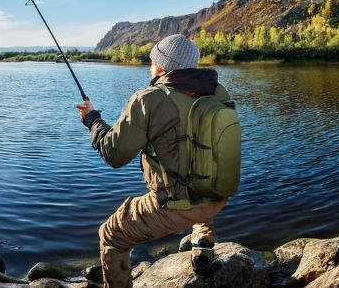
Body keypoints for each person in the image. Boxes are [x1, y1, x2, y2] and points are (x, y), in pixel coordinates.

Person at [75, 34, 238, 288]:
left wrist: (92, 120)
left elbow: (114, 154)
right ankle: (203, 240)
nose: (150, 67)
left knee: (110, 235)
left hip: (175, 207)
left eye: (152, 61)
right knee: (195, 168)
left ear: (161, 66)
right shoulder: (217, 95)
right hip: (217, 196)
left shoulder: (148, 99)